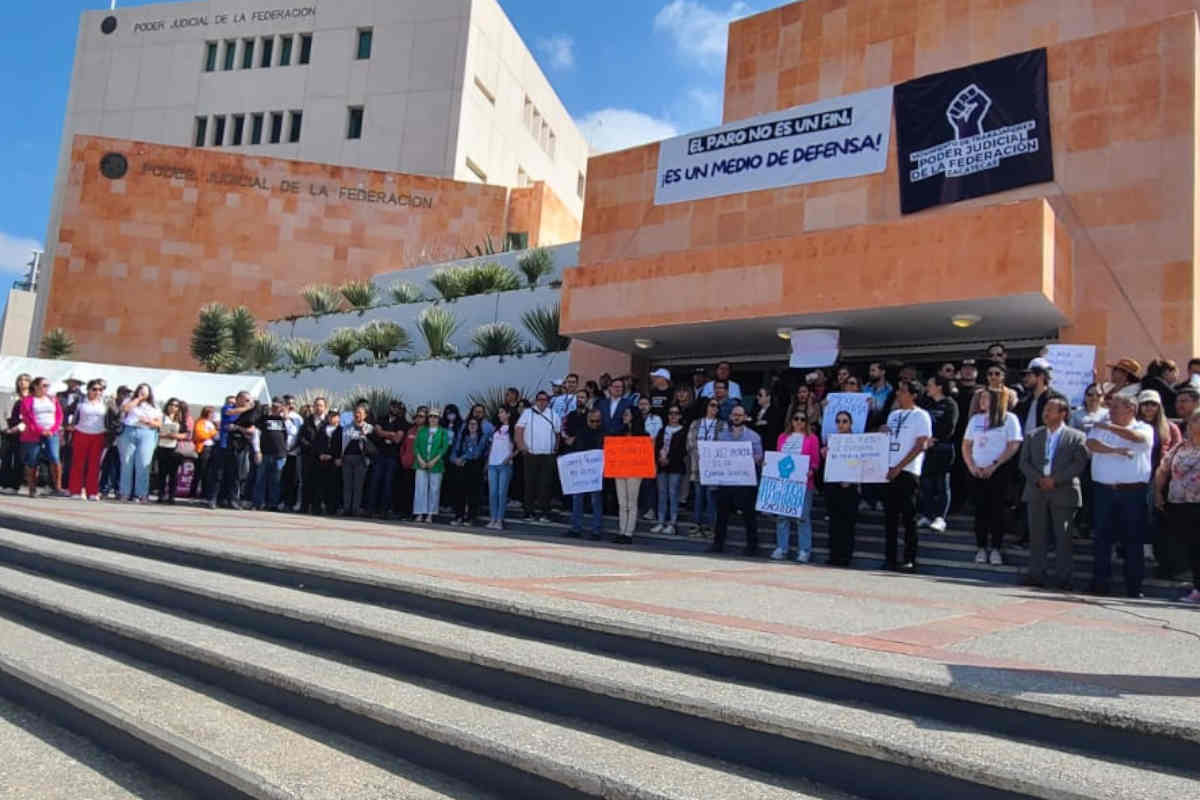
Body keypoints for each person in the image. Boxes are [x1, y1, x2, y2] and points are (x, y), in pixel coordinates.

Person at [1086, 394, 1153, 597]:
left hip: (1131, 492)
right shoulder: (1102, 426)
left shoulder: (1143, 427)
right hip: (1104, 491)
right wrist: (1116, 450)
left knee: (1132, 539)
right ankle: (1100, 584)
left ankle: (1134, 587)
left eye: (1115, 407)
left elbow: (1136, 439)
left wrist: (1107, 428)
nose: (1110, 411)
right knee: (1102, 538)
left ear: (1130, 409)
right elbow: (1092, 444)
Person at [1019, 396, 1089, 589]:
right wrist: (1038, 479)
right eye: (1045, 409)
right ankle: (1036, 574)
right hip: (1036, 490)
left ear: (1063, 413)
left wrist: (1055, 480)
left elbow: (1079, 463)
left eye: (1050, 409)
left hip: (1064, 492)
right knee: (1037, 535)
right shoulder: (1033, 435)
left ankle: (1063, 577)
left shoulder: (1077, 437)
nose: (1045, 413)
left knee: (1063, 536)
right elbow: (1024, 462)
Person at [962, 387, 1024, 565]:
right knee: (980, 511)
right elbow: (966, 445)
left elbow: (1013, 445)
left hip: (999, 472)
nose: (981, 401)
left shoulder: (1009, 419)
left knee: (997, 510)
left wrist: (995, 465)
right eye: (981, 398)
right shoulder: (975, 419)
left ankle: (996, 549)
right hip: (977, 472)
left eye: (986, 398)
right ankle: (981, 548)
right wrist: (971, 466)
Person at [881, 380, 932, 572]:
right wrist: (882, 432)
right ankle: (890, 558)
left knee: (909, 517)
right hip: (888, 470)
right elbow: (886, 439)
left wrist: (900, 467)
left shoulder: (921, 416)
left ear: (913, 395)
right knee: (890, 518)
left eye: (902, 391)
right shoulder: (894, 414)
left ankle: (910, 558)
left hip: (908, 471)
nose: (898, 394)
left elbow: (920, 444)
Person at [1154, 410, 1200, 603]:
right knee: (1193, 548)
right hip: (1180, 505)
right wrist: (1157, 491)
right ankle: (1198, 589)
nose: (1194, 423)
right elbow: (1163, 468)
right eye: (1193, 420)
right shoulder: (1181, 447)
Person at [1138, 389, 1182, 577]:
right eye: (1146, 403)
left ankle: (1151, 550)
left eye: (1153, 404)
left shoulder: (1170, 427)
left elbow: (1178, 451)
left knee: (1153, 514)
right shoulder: (1134, 426)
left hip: (1159, 478)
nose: (1149, 408)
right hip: (1137, 476)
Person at [709, 405, 764, 555]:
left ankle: (752, 546)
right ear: (730, 416)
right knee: (722, 515)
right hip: (726, 481)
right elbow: (716, 456)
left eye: (740, 415)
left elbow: (760, 458)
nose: (737, 417)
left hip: (745, 482)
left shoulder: (754, 436)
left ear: (745, 417)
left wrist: (753, 459)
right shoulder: (722, 435)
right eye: (734, 414)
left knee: (749, 516)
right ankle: (717, 544)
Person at [772, 409, 821, 562]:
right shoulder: (782, 437)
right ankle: (782, 548)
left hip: (804, 483)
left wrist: (811, 471)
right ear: (791, 421)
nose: (799, 422)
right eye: (796, 419)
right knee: (782, 517)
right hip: (784, 483)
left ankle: (804, 550)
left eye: (802, 419)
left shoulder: (812, 438)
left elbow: (815, 461)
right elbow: (777, 458)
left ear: (806, 422)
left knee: (803, 518)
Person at [918, 375, 959, 533]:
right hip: (926, 449)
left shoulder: (950, 404)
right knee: (926, 483)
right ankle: (927, 515)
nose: (927, 388)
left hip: (943, 448)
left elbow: (950, 426)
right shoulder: (925, 403)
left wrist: (935, 439)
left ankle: (940, 517)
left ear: (939, 386)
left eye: (929, 384)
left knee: (942, 484)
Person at [516, 391, 561, 522]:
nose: (542, 402)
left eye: (545, 399)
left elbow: (557, 433)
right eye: (540, 399)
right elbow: (518, 430)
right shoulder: (527, 413)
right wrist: (521, 447)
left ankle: (544, 513)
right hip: (531, 454)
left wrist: (556, 448)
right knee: (530, 483)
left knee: (545, 484)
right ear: (536, 401)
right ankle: (528, 512)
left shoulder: (553, 414)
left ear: (548, 401)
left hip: (547, 455)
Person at [207, 392, 257, 510]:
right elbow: (229, 413)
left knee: (235, 475)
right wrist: (248, 408)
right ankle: (213, 499)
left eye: (249, 400)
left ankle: (232, 500)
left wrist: (238, 428)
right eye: (246, 400)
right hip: (224, 444)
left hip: (239, 446)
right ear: (238, 399)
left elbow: (251, 430)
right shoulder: (228, 407)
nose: (248, 402)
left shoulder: (248, 413)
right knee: (218, 473)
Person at [19, 377, 66, 498]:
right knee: (33, 460)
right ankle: (32, 488)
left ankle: (57, 487)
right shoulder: (28, 400)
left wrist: (53, 429)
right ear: (35, 386)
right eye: (44, 385)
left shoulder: (52, 399)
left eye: (48, 386)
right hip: (33, 434)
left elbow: (59, 415)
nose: (46, 388)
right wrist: (40, 430)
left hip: (51, 433)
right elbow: (27, 419)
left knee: (54, 457)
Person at [824, 411, 859, 566]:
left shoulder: (858, 441)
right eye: (838, 421)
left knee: (847, 523)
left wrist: (850, 480)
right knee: (834, 522)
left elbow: (860, 463)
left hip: (850, 487)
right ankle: (834, 555)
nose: (841, 424)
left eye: (844, 421)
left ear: (850, 424)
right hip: (834, 486)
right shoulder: (832, 440)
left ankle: (846, 556)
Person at [687, 396, 725, 536]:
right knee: (698, 496)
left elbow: (723, 444)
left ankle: (711, 526)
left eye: (717, 406)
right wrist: (701, 453)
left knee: (711, 496)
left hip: (714, 467)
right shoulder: (696, 423)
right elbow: (690, 443)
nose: (715, 408)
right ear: (706, 407)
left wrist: (710, 454)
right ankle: (696, 524)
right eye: (712, 405)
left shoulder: (722, 424)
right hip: (697, 465)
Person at [565, 408, 606, 539]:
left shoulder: (604, 433)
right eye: (592, 421)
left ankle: (596, 531)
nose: (595, 424)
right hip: (581, 472)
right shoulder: (581, 432)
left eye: (597, 421)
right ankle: (575, 528)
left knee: (596, 501)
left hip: (596, 473)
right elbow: (575, 450)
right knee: (577, 499)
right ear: (587, 419)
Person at [117, 383, 161, 503]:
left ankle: (141, 494)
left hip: (147, 432)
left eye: (145, 391)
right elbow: (125, 409)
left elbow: (159, 423)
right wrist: (138, 398)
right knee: (127, 462)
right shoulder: (130, 400)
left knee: (143, 464)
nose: (143, 393)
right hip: (129, 431)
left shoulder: (155, 405)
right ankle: (124, 493)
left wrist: (149, 421)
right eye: (140, 390)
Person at [67, 378, 107, 501]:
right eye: (94, 389)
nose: (97, 392)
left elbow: (114, 417)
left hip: (98, 435)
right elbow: (67, 412)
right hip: (81, 433)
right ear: (88, 390)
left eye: (100, 390)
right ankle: (75, 491)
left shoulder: (106, 403)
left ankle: (92, 491)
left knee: (94, 465)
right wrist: (68, 425)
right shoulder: (80, 402)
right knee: (78, 463)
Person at [650, 405, 688, 536]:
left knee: (673, 494)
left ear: (680, 416)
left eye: (676, 413)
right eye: (671, 413)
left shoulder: (683, 431)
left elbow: (682, 450)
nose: (673, 416)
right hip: (661, 466)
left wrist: (669, 459)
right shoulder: (662, 430)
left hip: (675, 467)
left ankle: (672, 523)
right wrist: (659, 458)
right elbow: (657, 447)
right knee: (661, 494)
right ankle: (660, 522)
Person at [610, 407, 646, 544]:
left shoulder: (643, 435)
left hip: (635, 472)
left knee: (631, 502)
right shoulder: (619, 433)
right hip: (620, 469)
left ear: (634, 416)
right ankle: (621, 531)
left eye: (627, 414)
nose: (624, 416)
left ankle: (628, 533)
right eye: (624, 414)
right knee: (622, 502)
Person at [333, 404, 374, 517]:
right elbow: (339, 444)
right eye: (356, 412)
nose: (357, 415)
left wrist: (364, 435)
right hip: (347, 458)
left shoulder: (369, 428)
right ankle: (347, 508)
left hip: (361, 459)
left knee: (358, 486)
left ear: (365, 415)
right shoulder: (345, 428)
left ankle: (355, 509)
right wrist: (338, 457)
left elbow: (373, 445)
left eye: (360, 413)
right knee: (347, 485)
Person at [367, 400, 406, 519]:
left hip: (392, 456)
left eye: (396, 407)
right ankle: (371, 509)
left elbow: (398, 439)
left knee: (388, 483)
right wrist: (391, 434)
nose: (394, 409)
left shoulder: (402, 422)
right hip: (380, 454)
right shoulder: (381, 418)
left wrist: (384, 434)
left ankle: (384, 510)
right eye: (392, 406)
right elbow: (377, 431)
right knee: (374, 481)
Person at [249, 398, 289, 512]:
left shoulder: (285, 420)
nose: (276, 408)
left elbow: (292, 434)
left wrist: (286, 418)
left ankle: (273, 504)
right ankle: (257, 503)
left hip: (280, 455)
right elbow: (256, 434)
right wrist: (257, 451)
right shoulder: (264, 419)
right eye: (274, 406)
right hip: (265, 453)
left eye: (279, 406)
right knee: (260, 479)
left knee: (276, 481)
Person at [413, 408, 451, 523]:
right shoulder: (422, 431)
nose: (433, 419)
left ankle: (430, 514)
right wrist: (420, 459)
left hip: (436, 464)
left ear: (439, 419)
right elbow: (416, 446)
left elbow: (444, 448)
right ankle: (420, 513)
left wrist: (434, 460)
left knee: (434, 489)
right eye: (431, 416)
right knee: (420, 489)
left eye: (435, 416)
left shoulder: (443, 432)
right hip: (421, 463)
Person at [449, 415, 488, 526]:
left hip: (475, 467)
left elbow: (476, 453)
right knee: (460, 492)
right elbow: (454, 451)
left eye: (474, 424)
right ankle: (459, 516)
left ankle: (471, 517)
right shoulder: (462, 437)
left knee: (473, 493)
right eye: (470, 424)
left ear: (478, 426)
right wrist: (455, 460)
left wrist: (463, 458)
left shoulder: (482, 437)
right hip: (461, 467)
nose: (472, 426)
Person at [486, 407, 516, 531]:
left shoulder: (513, 429)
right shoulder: (496, 430)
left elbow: (518, 446)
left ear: (508, 414)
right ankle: (492, 518)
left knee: (501, 493)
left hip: (505, 465)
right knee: (492, 493)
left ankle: (499, 520)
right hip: (492, 464)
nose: (500, 415)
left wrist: (509, 457)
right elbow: (491, 446)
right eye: (499, 413)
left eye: (502, 412)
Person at [99, 386, 130, 498]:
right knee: (107, 465)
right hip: (111, 439)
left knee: (119, 465)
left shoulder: (128, 407)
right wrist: (117, 432)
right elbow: (109, 423)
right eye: (123, 393)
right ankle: (104, 488)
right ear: (118, 394)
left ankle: (117, 489)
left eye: (127, 394)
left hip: (122, 440)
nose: (125, 396)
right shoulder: (112, 406)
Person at [2, 373, 32, 493]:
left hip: (23, 432)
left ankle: (14, 486)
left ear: (30, 383)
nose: (22, 382)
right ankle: (4, 484)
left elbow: (30, 417)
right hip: (7, 431)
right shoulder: (10, 396)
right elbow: (2, 411)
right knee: (6, 458)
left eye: (25, 380)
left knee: (19, 459)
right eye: (20, 379)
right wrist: (5, 428)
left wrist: (19, 428)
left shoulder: (31, 398)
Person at [154, 398, 187, 504]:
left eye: (176, 406)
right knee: (162, 473)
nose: (173, 407)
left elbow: (185, 434)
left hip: (174, 448)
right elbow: (155, 431)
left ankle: (171, 496)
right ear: (167, 405)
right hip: (162, 447)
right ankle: (161, 495)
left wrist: (176, 435)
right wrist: (164, 435)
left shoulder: (180, 420)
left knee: (173, 474)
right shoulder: (162, 417)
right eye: (171, 405)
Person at [55, 376, 84, 495]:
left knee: (73, 459)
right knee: (59, 457)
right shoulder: (60, 395)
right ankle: (58, 485)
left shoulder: (83, 397)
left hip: (77, 430)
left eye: (76, 383)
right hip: (62, 429)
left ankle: (70, 485)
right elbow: (57, 411)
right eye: (71, 382)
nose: (73, 385)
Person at [398, 407, 426, 519]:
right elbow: (403, 447)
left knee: (418, 491)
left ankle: (417, 513)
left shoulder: (427, 431)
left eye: (421, 416)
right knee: (406, 490)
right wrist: (403, 458)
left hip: (420, 466)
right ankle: (406, 512)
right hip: (408, 465)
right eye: (417, 416)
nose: (418, 419)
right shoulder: (410, 431)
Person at [1015, 358, 1055, 435]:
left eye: (1029, 375)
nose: (1025, 379)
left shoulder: (1056, 400)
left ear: (1041, 376)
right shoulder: (1023, 402)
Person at [191, 406, 218, 499]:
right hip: (203, 448)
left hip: (211, 447)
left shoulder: (212, 423)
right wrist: (211, 433)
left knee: (207, 472)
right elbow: (200, 435)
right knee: (200, 471)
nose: (212, 415)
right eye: (211, 413)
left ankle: (205, 493)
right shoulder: (200, 422)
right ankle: (193, 493)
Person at [750, 386, 786, 452]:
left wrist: (763, 423)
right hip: (754, 446)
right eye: (757, 395)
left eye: (760, 395)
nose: (757, 397)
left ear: (768, 397)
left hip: (768, 447)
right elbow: (751, 423)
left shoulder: (776, 411)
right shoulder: (754, 410)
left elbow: (774, 429)